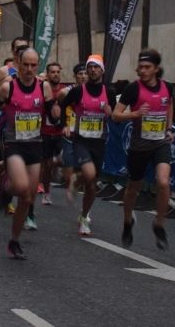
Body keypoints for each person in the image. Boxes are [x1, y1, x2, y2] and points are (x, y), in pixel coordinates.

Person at [0, 48, 51, 260]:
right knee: (21, 187)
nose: (30, 69)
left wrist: (56, 112)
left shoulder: (44, 87)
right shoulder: (7, 87)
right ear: (18, 64)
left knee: (28, 196)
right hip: (13, 143)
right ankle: (4, 187)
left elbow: (52, 115)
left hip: (35, 144)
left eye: (34, 65)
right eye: (26, 65)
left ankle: (14, 240)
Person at [111, 49, 174, 250]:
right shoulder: (133, 89)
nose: (142, 70)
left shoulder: (167, 87)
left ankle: (159, 224)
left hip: (160, 143)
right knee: (133, 188)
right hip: (139, 146)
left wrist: (170, 128)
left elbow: (169, 105)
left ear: (156, 69)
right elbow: (115, 115)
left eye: (147, 67)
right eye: (140, 67)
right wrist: (136, 113)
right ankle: (128, 221)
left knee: (163, 182)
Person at [61, 55, 111, 236]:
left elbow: (116, 115)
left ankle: (84, 215)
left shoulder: (109, 92)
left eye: (96, 67)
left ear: (102, 71)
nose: (92, 70)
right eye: (90, 67)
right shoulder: (78, 91)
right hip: (81, 140)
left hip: (99, 142)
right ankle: (76, 180)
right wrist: (65, 125)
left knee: (92, 185)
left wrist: (110, 113)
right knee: (89, 174)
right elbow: (63, 104)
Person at [40, 62, 67, 208]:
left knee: (64, 161)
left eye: (57, 72)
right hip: (45, 132)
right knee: (47, 166)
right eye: (52, 72)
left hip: (61, 132)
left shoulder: (64, 90)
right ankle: (47, 193)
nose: (55, 74)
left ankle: (57, 163)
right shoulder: (43, 89)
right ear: (48, 74)